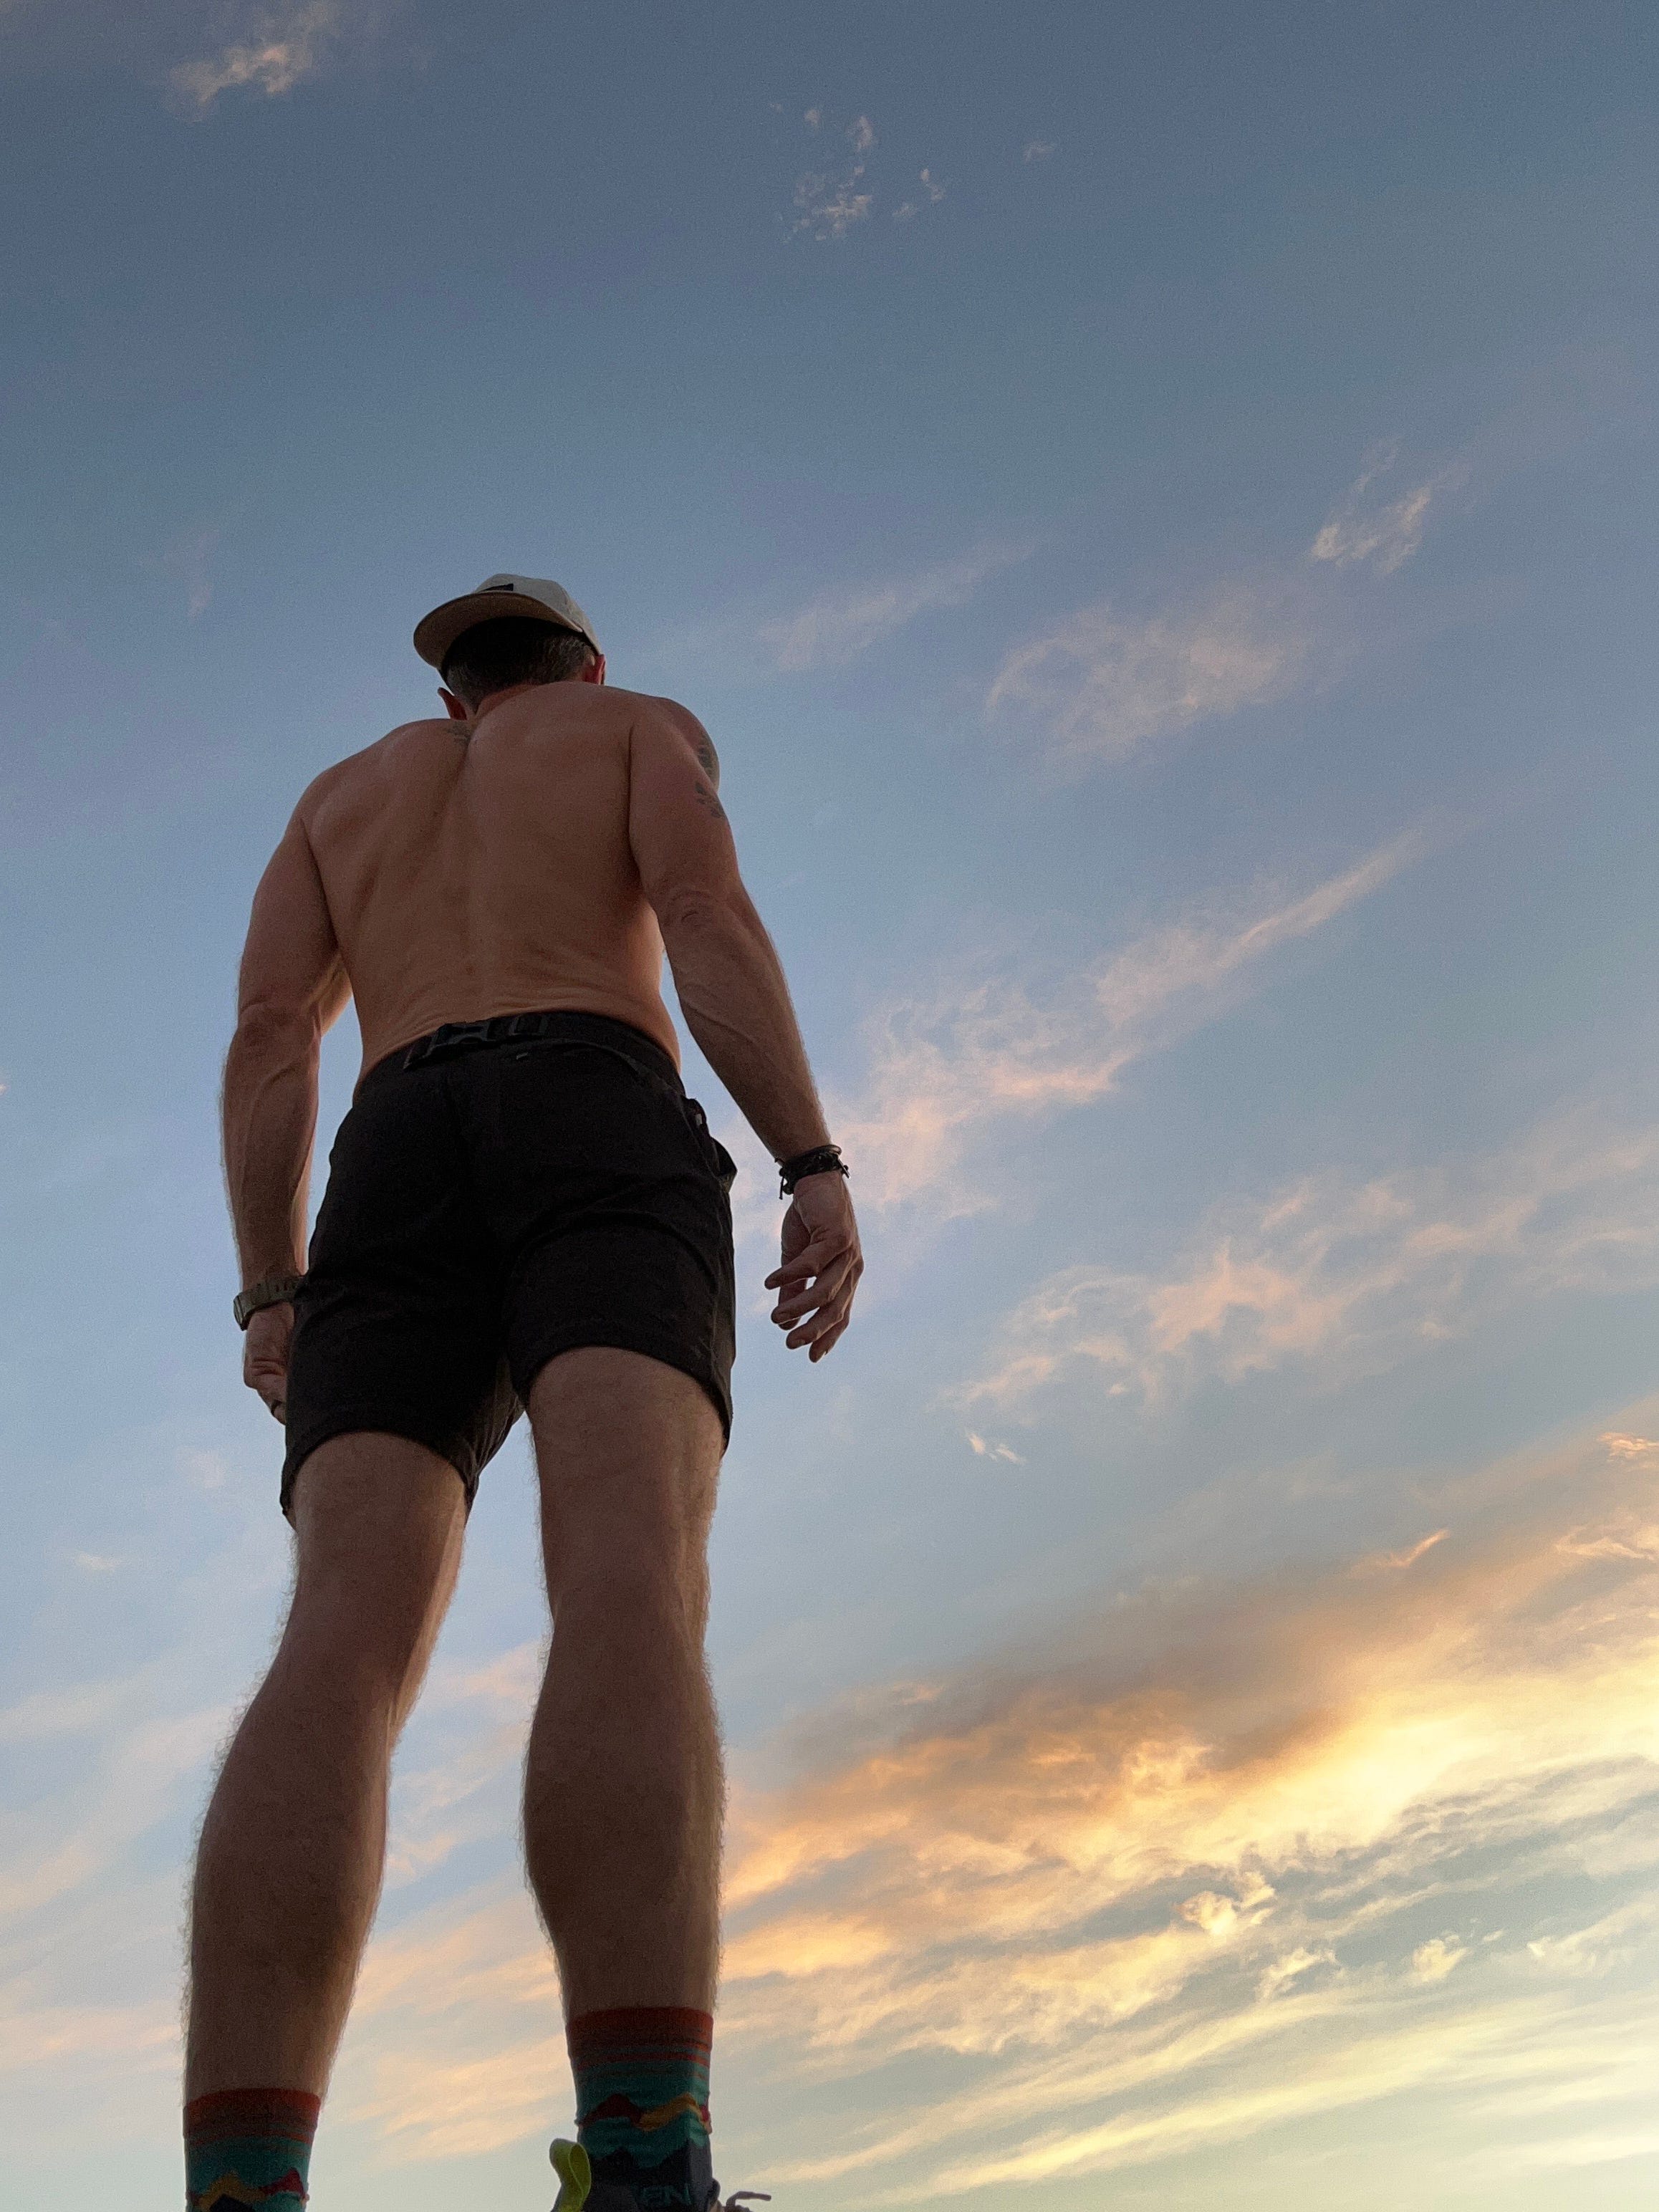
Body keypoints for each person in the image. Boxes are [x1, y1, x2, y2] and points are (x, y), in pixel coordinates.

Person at [186, 574, 863, 2212]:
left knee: (339, 1638)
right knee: (626, 1572)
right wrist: (811, 1158)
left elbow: (271, 1031)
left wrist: (272, 1287)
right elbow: (702, 911)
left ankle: (241, 2186)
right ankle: (643, 2161)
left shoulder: (341, 800)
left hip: (394, 1146)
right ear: (585, 662)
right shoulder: (635, 727)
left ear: (452, 699)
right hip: (593, 1099)